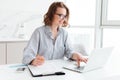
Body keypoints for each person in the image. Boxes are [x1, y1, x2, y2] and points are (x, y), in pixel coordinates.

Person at [22, 2, 87, 66]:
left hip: (59, 71)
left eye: (64, 16)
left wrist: (77, 55)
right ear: (51, 14)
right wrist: (33, 61)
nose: (63, 19)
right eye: (60, 15)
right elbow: (27, 55)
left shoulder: (64, 34)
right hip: (42, 70)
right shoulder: (39, 32)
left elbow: (69, 53)